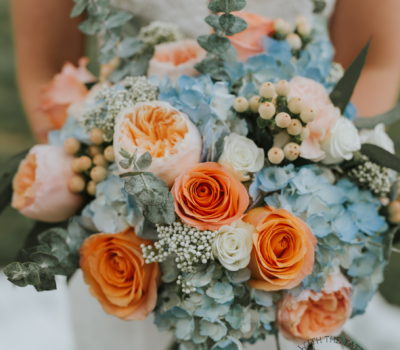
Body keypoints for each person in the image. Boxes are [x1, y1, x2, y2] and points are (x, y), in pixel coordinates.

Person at [10, 0, 400, 349]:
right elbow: (47, 70)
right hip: (125, 232)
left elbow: (375, 60)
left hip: (301, 229)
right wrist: (122, 186)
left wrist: (322, 170)